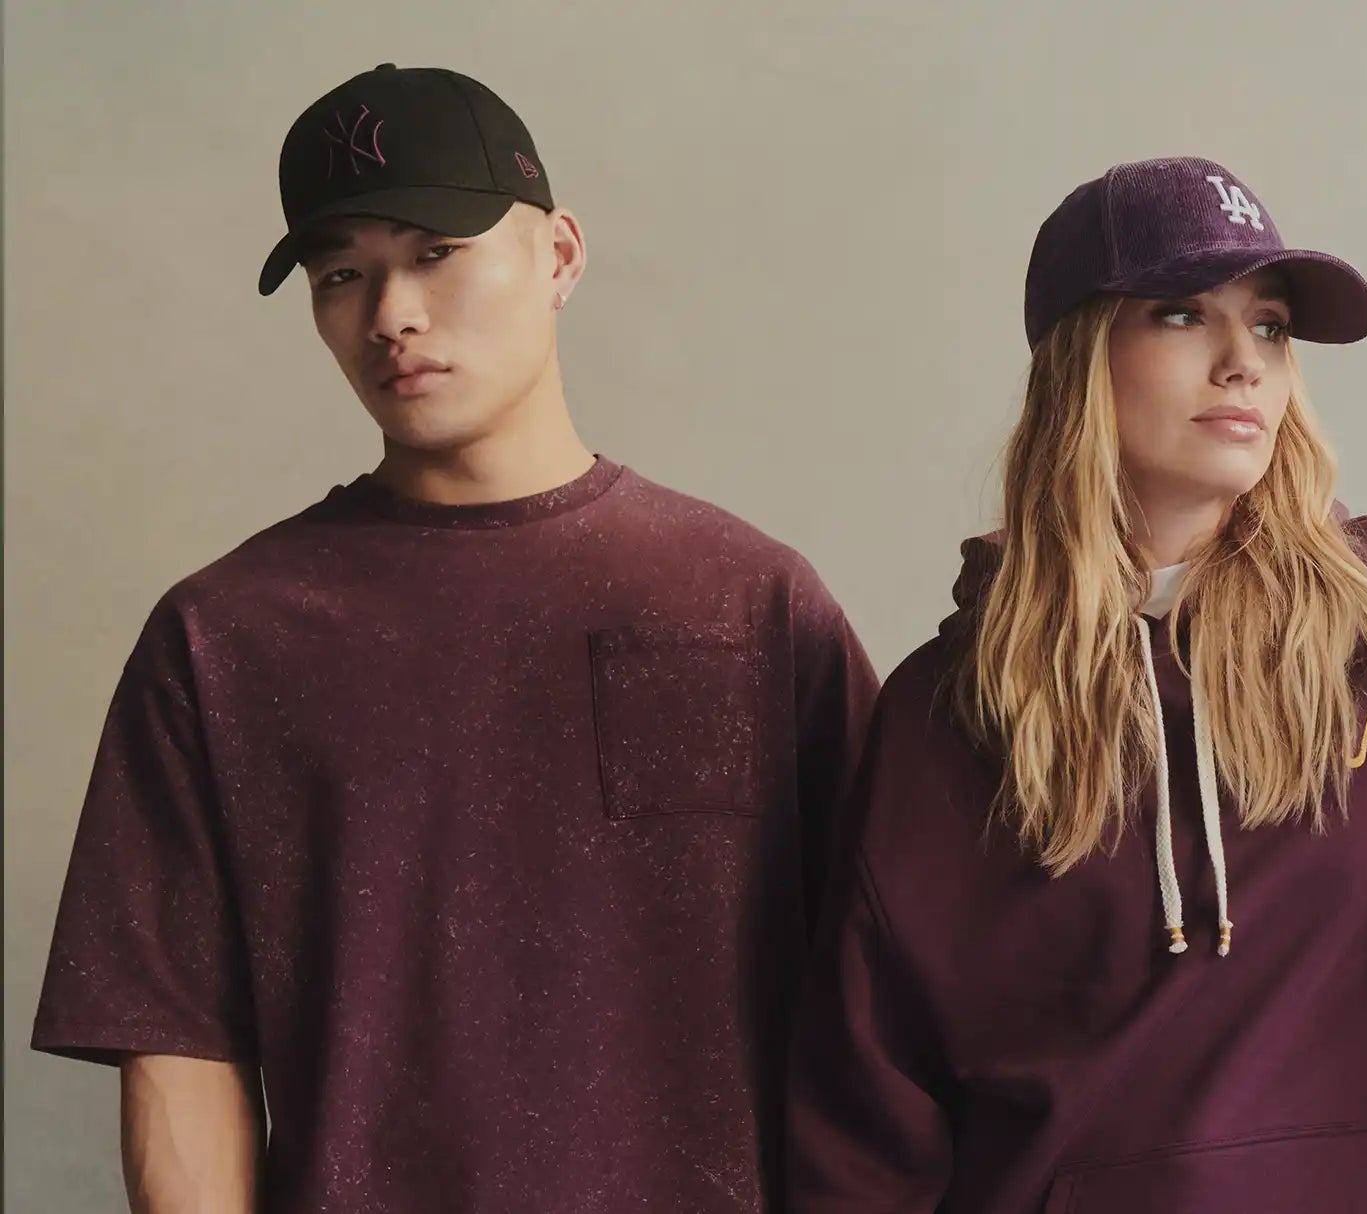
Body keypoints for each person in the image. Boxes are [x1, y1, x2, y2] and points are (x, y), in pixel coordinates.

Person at [30, 63, 876, 1213]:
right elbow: (178, 1049)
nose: (391, 315)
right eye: (344, 274)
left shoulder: (751, 602)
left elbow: (896, 1010)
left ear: (561, 254)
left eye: (435, 250)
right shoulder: (224, 637)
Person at [783, 156, 1367, 1212]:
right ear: (1081, 357)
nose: (1244, 364)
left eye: (1268, 326)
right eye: (1182, 316)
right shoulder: (947, 710)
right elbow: (863, 1118)